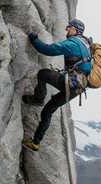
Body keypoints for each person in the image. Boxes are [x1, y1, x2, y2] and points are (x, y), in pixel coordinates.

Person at [21, 19, 92, 152]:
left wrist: (34, 39)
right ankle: (35, 143)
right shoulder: (86, 44)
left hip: (70, 83)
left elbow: (48, 50)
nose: (67, 30)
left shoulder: (73, 43)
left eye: (69, 28)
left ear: (76, 30)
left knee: (43, 74)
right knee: (48, 111)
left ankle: (38, 99)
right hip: (77, 88)